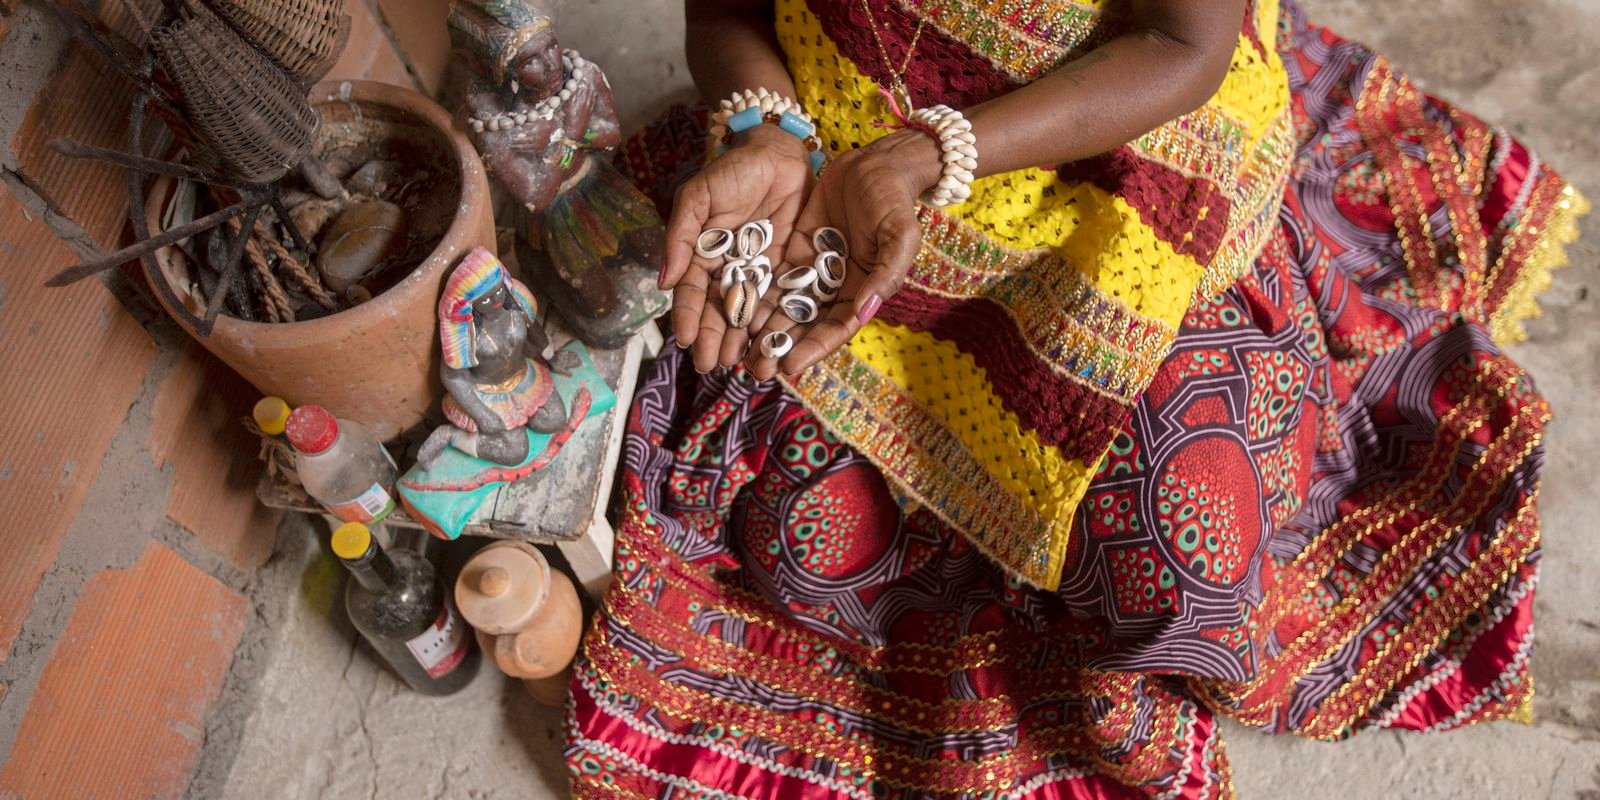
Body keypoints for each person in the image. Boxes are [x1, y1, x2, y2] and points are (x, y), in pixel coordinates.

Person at [566, 0, 1588, 796]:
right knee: (798, 527)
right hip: (836, 163)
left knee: (1184, 556)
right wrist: (763, 126)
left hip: (1104, 169)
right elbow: (726, 12)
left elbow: (1180, 44)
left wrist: (929, 157)